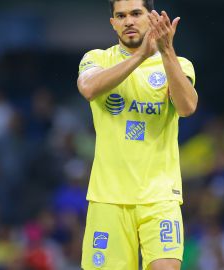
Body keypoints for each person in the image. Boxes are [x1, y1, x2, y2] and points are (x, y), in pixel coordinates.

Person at [76, 0, 198, 269]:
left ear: (151, 17)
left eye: (135, 13)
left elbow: (187, 107)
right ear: (113, 23)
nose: (128, 21)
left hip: (160, 196)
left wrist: (165, 53)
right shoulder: (96, 58)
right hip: (109, 197)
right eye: (121, 15)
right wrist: (141, 56)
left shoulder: (179, 64)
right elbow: (88, 88)